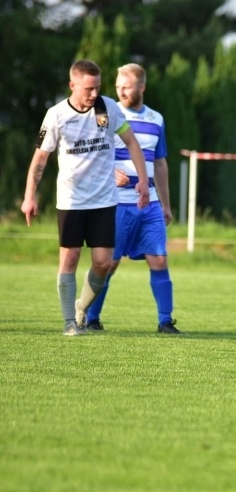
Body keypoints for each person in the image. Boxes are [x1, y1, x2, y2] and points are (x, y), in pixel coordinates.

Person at [20, 59, 149, 336]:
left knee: (103, 264)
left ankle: (81, 307)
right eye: (89, 89)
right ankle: (69, 322)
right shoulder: (56, 115)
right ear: (73, 85)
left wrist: (143, 183)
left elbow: (131, 142)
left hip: (104, 200)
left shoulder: (108, 108)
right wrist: (29, 196)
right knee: (70, 259)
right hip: (71, 201)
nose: (94, 94)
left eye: (98, 88)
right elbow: (40, 159)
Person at [84, 63, 182, 334]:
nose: (121, 91)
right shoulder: (105, 114)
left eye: (126, 86)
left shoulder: (156, 119)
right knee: (108, 264)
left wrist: (165, 204)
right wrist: (110, 170)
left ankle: (165, 321)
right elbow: (89, 153)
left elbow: (160, 163)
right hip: (114, 204)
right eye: (117, 86)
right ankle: (91, 317)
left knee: (159, 260)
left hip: (149, 204)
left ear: (142, 87)